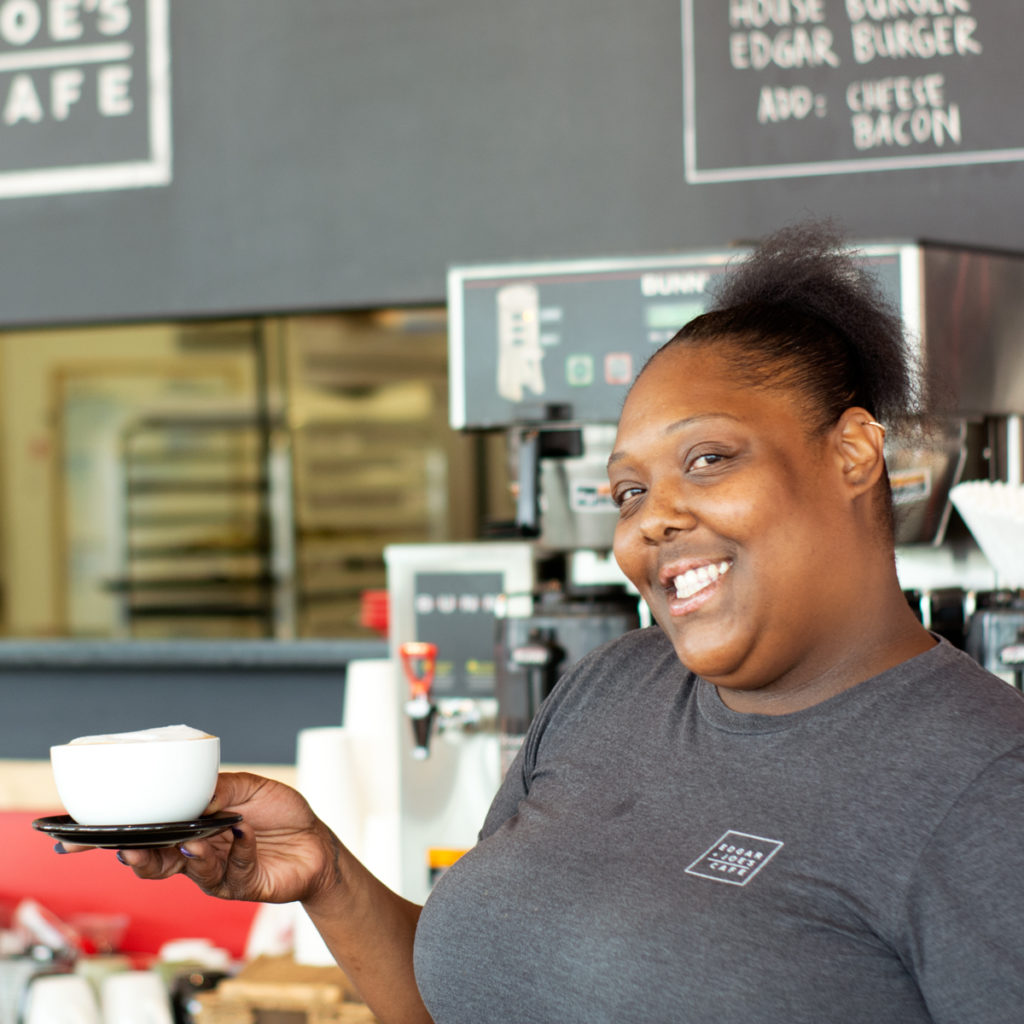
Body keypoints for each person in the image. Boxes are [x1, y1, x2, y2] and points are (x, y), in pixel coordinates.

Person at [59, 221, 1024, 1023]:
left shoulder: (986, 785)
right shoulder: (609, 690)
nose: (653, 519)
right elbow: (468, 1004)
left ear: (857, 452)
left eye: (709, 460)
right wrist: (324, 877)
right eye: (627, 491)